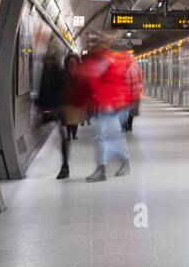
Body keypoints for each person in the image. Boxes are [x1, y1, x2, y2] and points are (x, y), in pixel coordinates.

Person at [79, 39, 131, 181]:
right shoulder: (106, 62)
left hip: (109, 106)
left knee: (102, 136)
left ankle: (102, 169)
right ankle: (123, 163)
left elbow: (108, 84)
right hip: (108, 105)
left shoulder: (105, 62)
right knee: (111, 136)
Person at [35, 52, 71, 180]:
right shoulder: (59, 72)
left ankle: (65, 165)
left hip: (58, 109)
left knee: (62, 137)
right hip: (60, 109)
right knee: (63, 137)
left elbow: (44, 90)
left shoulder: (48, 73)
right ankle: (65, 164)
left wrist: (40, 104)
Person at [122, 50, 142, 132]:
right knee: (129, 110)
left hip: (130, 93)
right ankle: (128, 125)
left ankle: (128, 124)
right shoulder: (136, 67)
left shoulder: (131, 67)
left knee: (128, 110)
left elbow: (139, 80)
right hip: (131, 93)